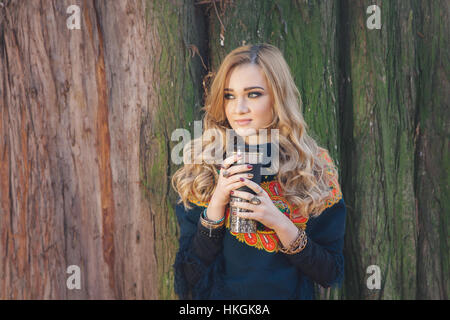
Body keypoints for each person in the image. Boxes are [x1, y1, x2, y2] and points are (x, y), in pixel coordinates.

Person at [171, 43, 346, 300]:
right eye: (229, 95)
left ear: (278, 97)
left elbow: (330, 273)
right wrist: (217, 204)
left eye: (253, 94)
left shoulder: (313, 168)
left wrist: (280, 223)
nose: (238, 108)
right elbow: (188, 276)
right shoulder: (203, 165)